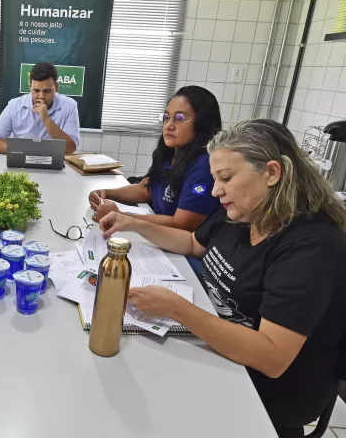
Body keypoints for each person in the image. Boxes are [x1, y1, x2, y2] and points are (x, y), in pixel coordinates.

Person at [99, 119, 346, 438]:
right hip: (221, 347)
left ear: (271, 173)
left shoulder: (311, 246)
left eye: (226, 178)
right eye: (215, 178)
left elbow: (271, 357)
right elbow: (192, 243)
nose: (216, 191)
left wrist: (177, 309)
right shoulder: (246, 212)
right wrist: (131, 222)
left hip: (265, 393)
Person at [89, 86, 222, 232]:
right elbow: (146, 189)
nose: (169, 125)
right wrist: (105, 193)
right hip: (157, 234)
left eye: (179, 118)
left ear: (202, 123)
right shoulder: (170, 152)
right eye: (166, 117)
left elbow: (182, 224)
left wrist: (120, 216)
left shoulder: (205, 165)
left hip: (179, 250)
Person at [0, 62, 80, 154]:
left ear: (56, 87)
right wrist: (21, 152)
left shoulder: (70, 106)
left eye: (47, 91)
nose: (41, 96)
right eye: (36, 90)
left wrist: (46, 120)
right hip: (20, 161)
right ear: (30, 87)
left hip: (53, 165)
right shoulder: (15, 105)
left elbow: (70, 148)